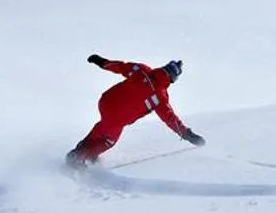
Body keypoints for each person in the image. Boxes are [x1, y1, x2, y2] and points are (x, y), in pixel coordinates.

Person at [66, 55, 205, 166]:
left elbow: (121, 67)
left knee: (104, 125)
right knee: (109, 140)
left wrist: (101, 62)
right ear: (172, 80)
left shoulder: (143, 70)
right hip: (117, 118)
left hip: (105, 102)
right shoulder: (160, 97)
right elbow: (171, 119)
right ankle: (80, 156)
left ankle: (82, 147)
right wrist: (188, 135)